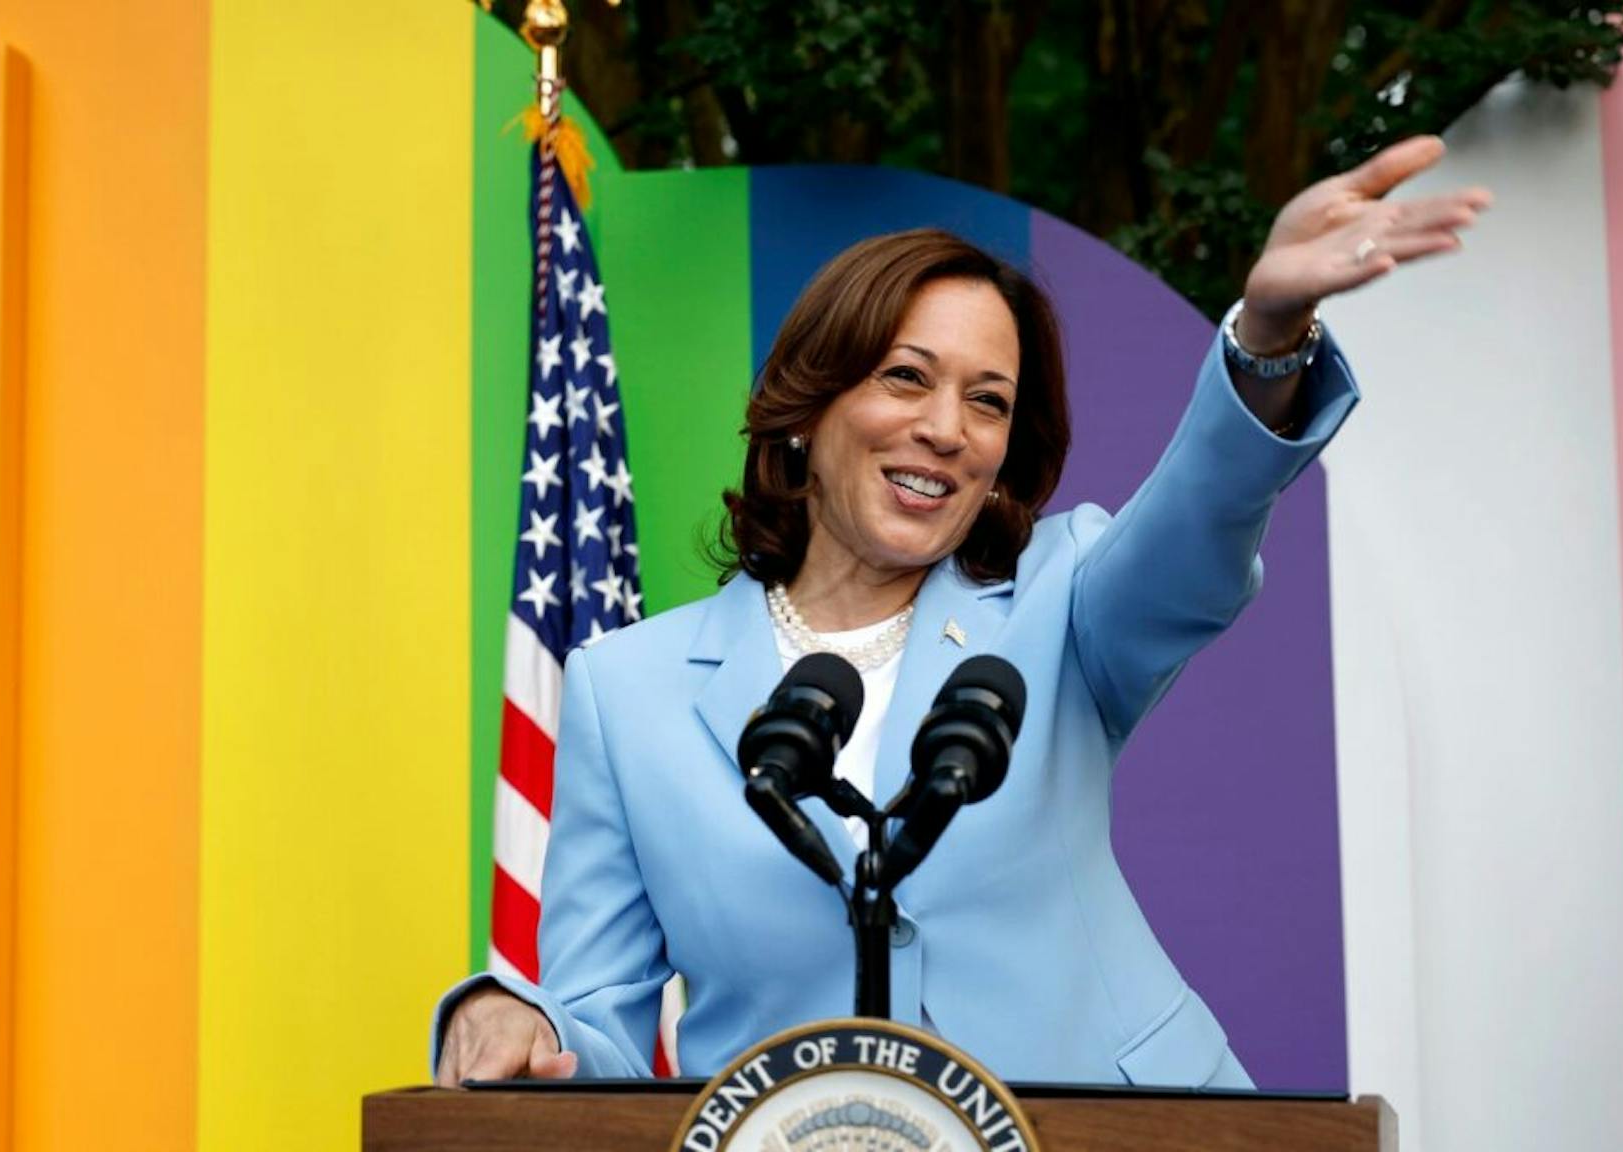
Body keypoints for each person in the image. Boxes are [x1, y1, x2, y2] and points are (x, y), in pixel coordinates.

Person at [434, 136, 1489, 1087]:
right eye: (905, 378)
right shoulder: (628, 691)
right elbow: (596, 1034)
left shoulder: (1061, 600)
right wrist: (511, 1015)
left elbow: (1193, 524)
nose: (946, 429)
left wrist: (1266, 334)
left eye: (987, 400)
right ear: (808, 409)